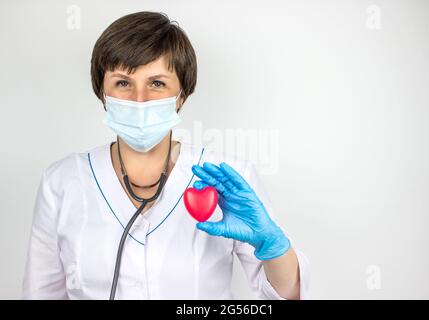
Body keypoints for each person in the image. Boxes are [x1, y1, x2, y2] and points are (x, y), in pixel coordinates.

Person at [22, 11, 310, 300]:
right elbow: (39, 294)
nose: (139, 99)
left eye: (157, 83)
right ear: (102, 92)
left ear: (182, 94)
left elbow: (286, 295)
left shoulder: (227, 178)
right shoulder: (62, 181)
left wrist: (272, 245)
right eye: (123, 82)